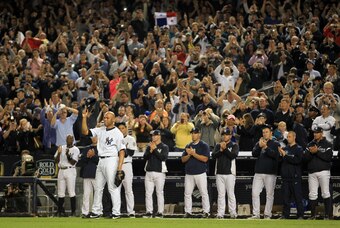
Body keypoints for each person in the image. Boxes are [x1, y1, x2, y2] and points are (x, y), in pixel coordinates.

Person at [81, 109, 125, 219]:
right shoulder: (100, 130)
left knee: (112, 187)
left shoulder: (117, 133)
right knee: (98, 187)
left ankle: (116, 212)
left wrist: (119, 168)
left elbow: (122, 151)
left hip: (111, 159)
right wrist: (84, 118)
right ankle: (96, 211)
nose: (105, 119)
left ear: (113, 119)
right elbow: (85, 132)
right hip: (101, 160)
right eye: (104, 117)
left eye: (107, 117)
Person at [249, 125, 280, 219]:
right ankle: (256, 214)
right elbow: (254, 154)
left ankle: (267, 214)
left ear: (271, 133)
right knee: (254, 193)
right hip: (258, 171)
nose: (265, 134)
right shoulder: (259, 142)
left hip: (270, 172)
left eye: (266, 132)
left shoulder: (275, 143)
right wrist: (259, 146)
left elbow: (275, 156)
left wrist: (266, 147)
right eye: (263, 132)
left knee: (269, 194)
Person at [304, 127, 333, 220]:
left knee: (325, 193)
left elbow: (328, 157)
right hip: (312, 172)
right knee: (312, 194)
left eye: (317, 132)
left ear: (321, 133)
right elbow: (305, 159)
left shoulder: (327, 143)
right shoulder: (310, 144)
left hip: (324, 171)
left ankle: (327, 215)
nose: (315, 134)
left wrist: (317, 152)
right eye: (314, 133)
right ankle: (312, 216)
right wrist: (311, 153)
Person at [181, 128, 210, 218]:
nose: (193, 135)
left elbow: (205, 159)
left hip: (200, 173)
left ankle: (206, 212)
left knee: (204, 193)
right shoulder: (188, 145)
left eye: (195, 133)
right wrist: (189, 154)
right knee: (187, 193)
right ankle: (188, 211)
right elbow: (183, 160)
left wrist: (193, 154)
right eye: (192, 133)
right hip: (189, 173)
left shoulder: (203, 145)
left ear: (199, 134)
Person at [212, 128, 238, 219]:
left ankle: (233, 212)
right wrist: (221, 150)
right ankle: (220, 213)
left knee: (230, 193)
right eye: (223, 135)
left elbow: (233, 155)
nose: (225, 136)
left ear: (230, 136)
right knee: (221, 194)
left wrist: (225, 149)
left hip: (230, 173)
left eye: (227, 134)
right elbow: (213, 156)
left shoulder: (234, 145)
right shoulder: (218, 145)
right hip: (219, 172)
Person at [278, 131, 304, 219]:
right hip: (285, 177)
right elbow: (281, 162)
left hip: (295, 177)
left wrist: (285, 156)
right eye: (287, 137)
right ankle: (285, 215)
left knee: (298, 197)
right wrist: (280, 155)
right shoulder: (285, 149)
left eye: (289, 136)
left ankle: (300, 215)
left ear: (294, 137)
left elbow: (297, 161)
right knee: (285, 198)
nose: (288, 138)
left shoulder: (299, 149)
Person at [143, 130, 169, 218]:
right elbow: (145, 157)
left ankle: (160, 212)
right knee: (148, 193)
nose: (153, 137)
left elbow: (163, 158)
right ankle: (149, 211)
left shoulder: (164, 146)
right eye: (152, 136)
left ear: (159, 136)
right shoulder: (149, 146)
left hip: (160, 172)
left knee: (159, 192)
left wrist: (155, 150)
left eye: (155, 135)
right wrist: (150, 150)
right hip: (149, 172)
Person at [54, 134, 80, 217]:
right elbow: (56, 160)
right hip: (61, 170)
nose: (69, 140)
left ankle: (73, 212)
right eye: (68, 138)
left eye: (71, 138)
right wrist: (59, 153)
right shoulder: (61, 147)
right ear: (66, 139)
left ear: (73, 140)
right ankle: (60, 211)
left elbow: (73, 162)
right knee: (60, 192)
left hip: (70, 170)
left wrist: (68, 155)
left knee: (71, 191)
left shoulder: (76, 149)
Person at [117, 122, 137, 218]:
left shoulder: (130, 138)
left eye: (122, 128)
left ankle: (131, 211)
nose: (121, 130)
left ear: (126, 128)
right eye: (119, 128)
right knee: (116, 189)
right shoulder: (115, 139)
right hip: (117, 165)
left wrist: (122, 147)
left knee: (128, 190)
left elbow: (130, 153)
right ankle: (116, 211)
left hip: (127, 165)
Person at [77, 144, 98, 218]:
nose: (94, 139)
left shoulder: (100, 147)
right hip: (86, 173)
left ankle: (98, 211)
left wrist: (93, 156)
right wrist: (87, 156)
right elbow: (81, 161)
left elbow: (99, 160)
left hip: (97, 174)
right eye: (93, 137)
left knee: (98, 193)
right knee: (86, 194)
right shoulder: (86, 148)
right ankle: (85, 212)